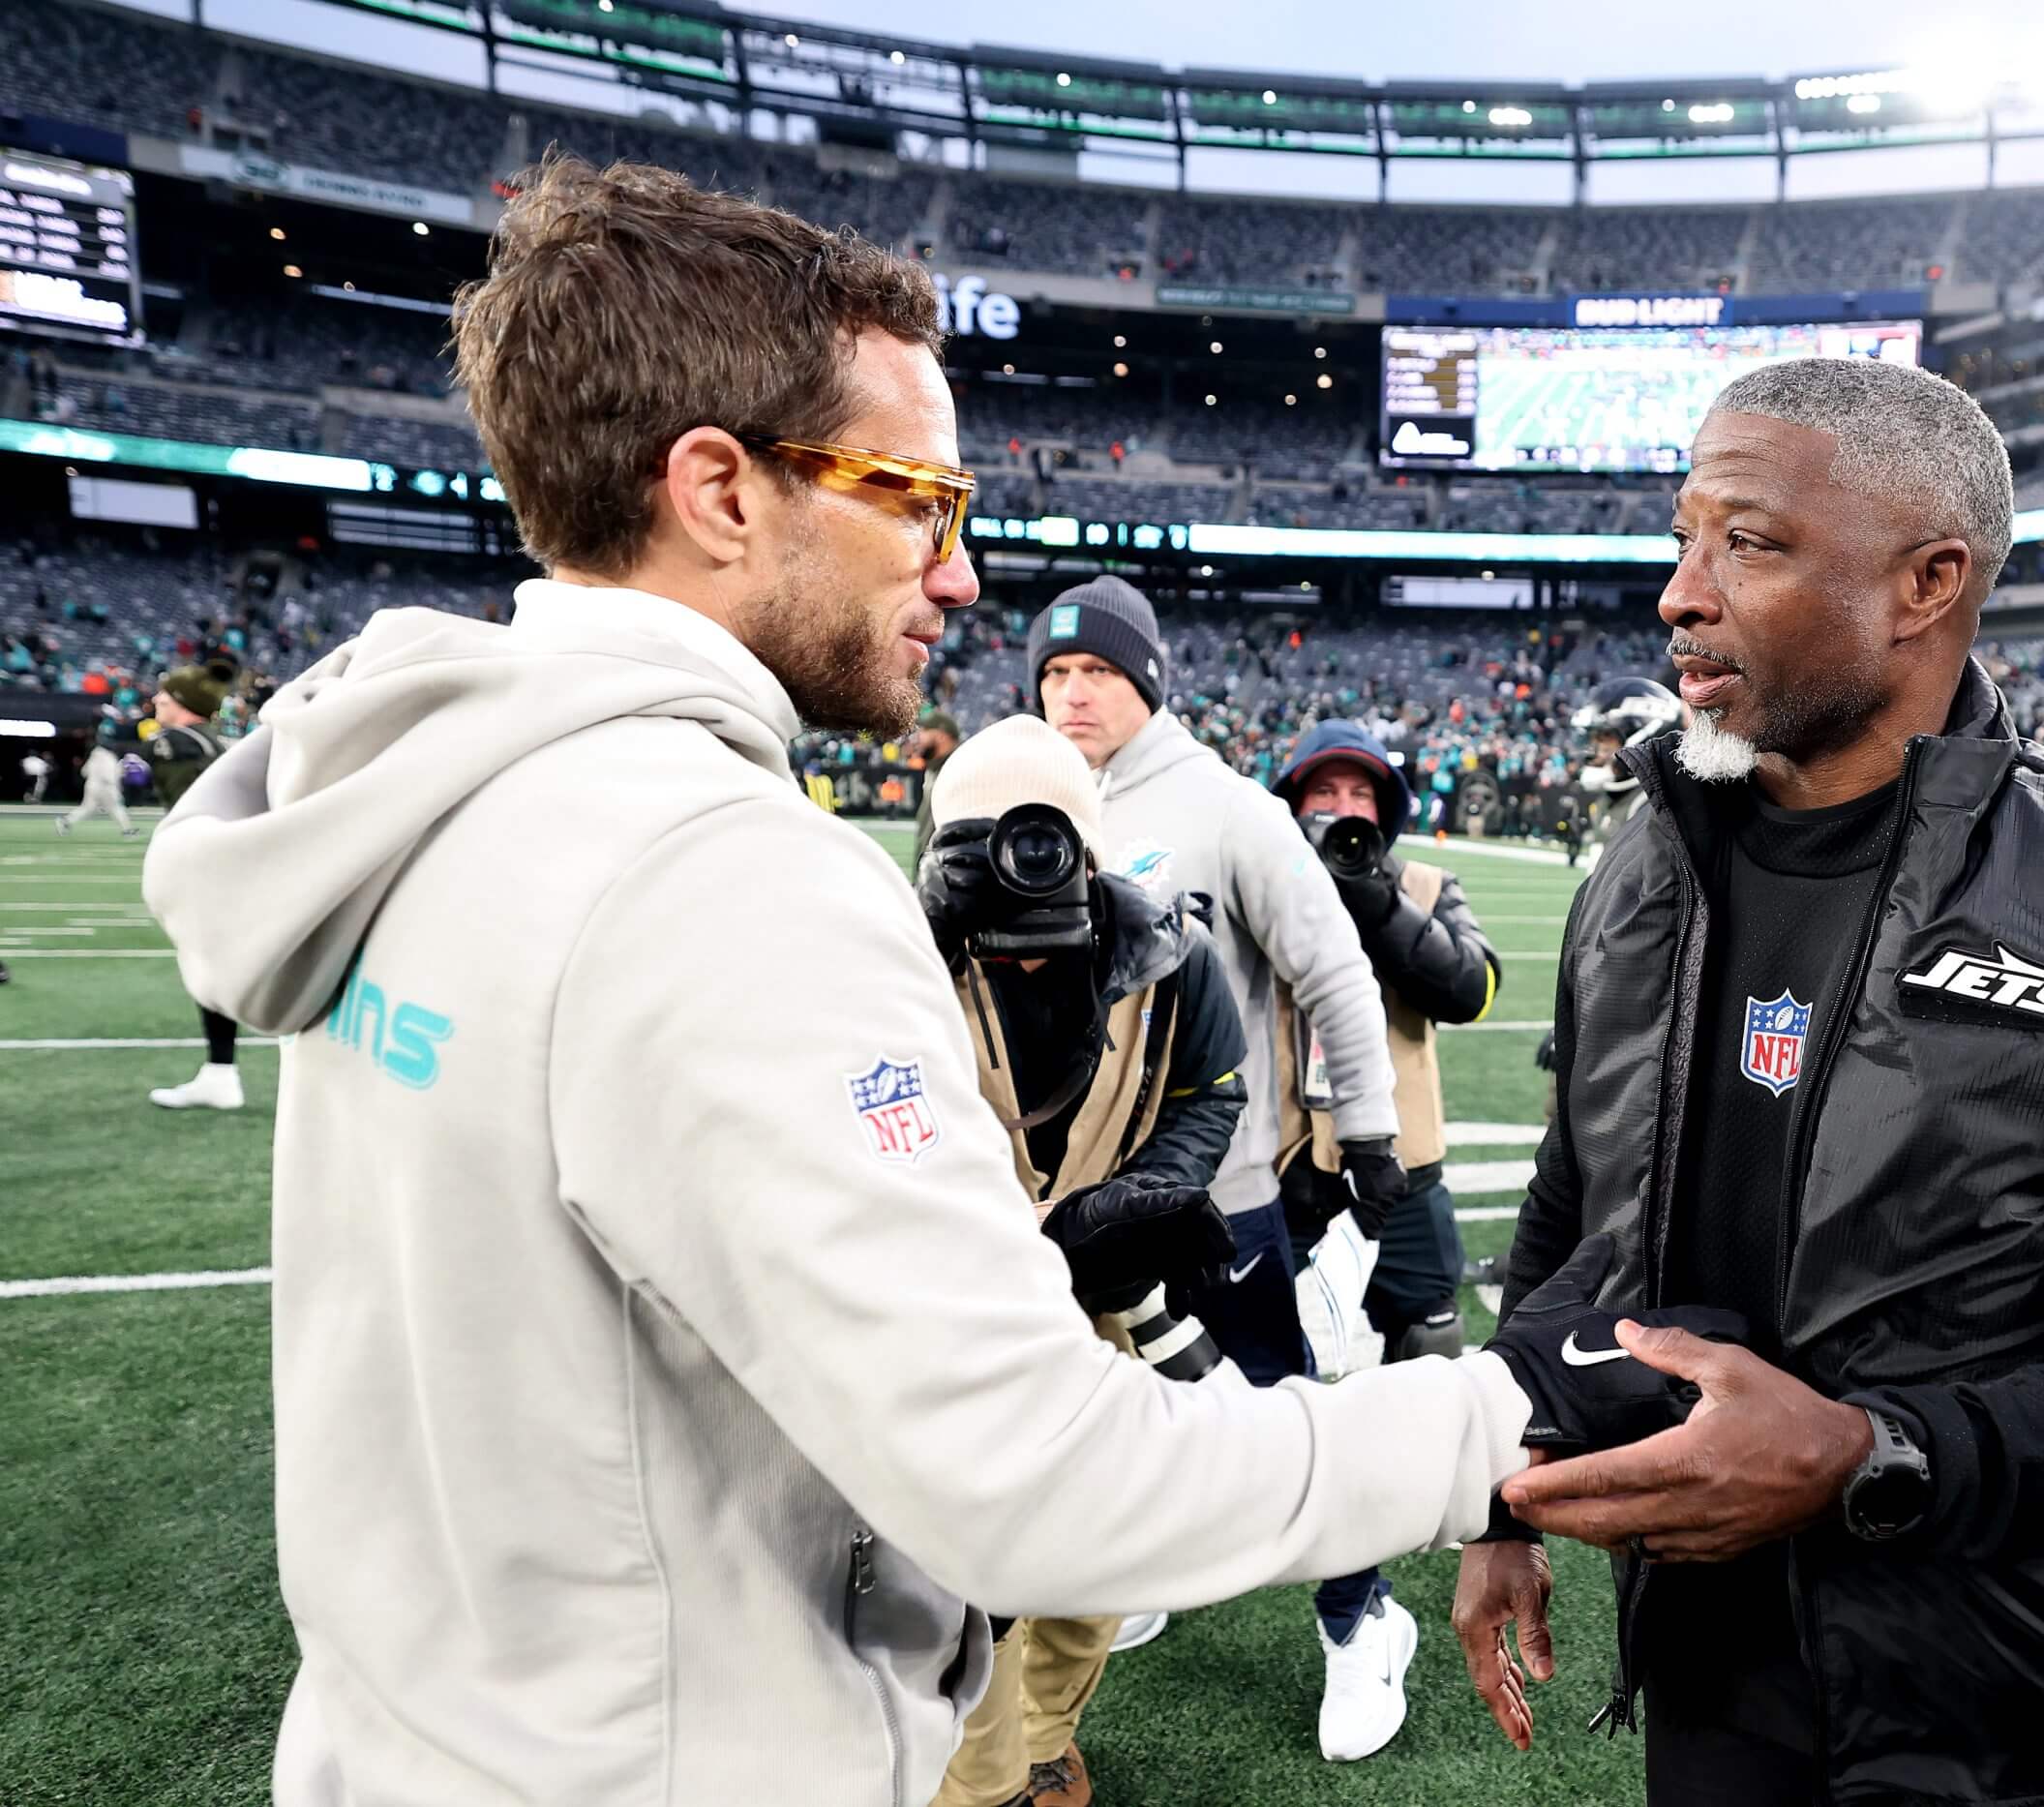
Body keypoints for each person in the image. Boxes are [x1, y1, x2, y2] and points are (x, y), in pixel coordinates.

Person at [139, 158, 1673, 1807]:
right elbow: (1036, 1484)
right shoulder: (715, 872)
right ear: (720, 489)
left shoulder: (424, 797)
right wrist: (1494, 1420)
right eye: (917, 498)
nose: (959, 573)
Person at [1456, 357, 2044, 1806]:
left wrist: (1878, 1452)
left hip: (2015, 1711)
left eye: (1749, 540)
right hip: (1714, 1675)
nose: (1679, 591)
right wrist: (1507, 1474)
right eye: (1685, 535)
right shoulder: (1643, 866)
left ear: (1927, 581)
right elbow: (1575, 1210)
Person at [1028, 576, 1419, 1761]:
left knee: (1276, 1426)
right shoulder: (1033, 806)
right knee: (1105, 1421)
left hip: (1221, 1195)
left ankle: (1363, 1622)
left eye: (1096, 670)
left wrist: (1367, 1131)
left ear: (1147, 680)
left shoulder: (1226, 808)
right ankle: (1144, 1567)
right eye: (1052, 673)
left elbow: (1336, 971)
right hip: (1074, 1210)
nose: (1071, 691)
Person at [917, 714, 1248, 1807]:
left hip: (1099, 1296)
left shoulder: (1172, 957)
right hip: (943, 1313)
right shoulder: (888, 955)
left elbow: (1214, 1094)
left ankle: (1048, 1733)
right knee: (974, 1574)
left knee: (1107, 1539)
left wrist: (1143, 1194)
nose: (1015, 945)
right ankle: (985, 1780)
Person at [1266, 717, 1504, 1759]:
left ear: (1387, 812)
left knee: (1426, 1344)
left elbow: (1471, 987)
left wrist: (1370, 903)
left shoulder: (1421, 885)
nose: (1343, 814)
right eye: (1324, 795)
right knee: (1283, 1373)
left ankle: (1425, 1510)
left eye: (1361, 798)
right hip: (1291, 1161)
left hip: (1402, 1159)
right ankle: (1351, 1592)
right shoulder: (1257, 883)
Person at [143, 661, 248, 1112]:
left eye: (167, 695)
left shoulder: (175, 743)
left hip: (206, 863)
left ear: (184, 704)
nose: (158, 700)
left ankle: (221, 1073)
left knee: (210, 966)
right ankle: (219, 1072)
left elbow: (188, 812)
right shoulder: (221, 742)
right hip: (236, 859)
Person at [1572, 676, 1681, 872]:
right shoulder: (1610, 799)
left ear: (1644, 738)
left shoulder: (1654, 808)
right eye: (1593, 738)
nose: (1594, 749)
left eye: (1605, 738)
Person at [908, 708, 962, 881]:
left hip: (946, 875)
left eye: (924, 731)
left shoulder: (960, 767)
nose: (918, 738)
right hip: (931, 870)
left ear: (941, 735)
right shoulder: (934, 767)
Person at [55, 735, 135, 836]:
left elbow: (84, 772)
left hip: (91, 785)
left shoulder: (93, 755)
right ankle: (127, 830)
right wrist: (117, 788)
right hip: (105, 787)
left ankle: (65, 821)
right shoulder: (109, 757)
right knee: (116, 807)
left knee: (87, 808)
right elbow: (109, 777)